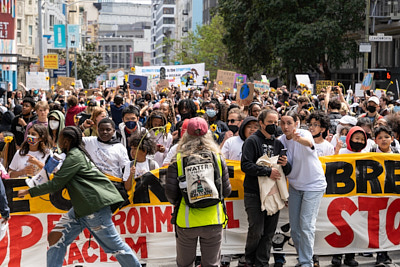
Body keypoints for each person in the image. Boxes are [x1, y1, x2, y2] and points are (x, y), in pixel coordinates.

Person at [17, 126, 141, 267]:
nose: (58, 141)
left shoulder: (74, 156)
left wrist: (29, 191)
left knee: (115, 247)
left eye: (61, 138)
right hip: (81, 208)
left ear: (66, 141)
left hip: (94, 207)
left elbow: (56, 184)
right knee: (55, 238)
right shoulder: (72, 155)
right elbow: (58, 176)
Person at [165, 117, 231, 267]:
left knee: (185, 263)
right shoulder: (218, 158)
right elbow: (226, 191)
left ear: (186, 135)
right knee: (212, 263)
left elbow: (171, 193)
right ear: (208, 135)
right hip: (213, 219)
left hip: (186, 221)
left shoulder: (178, 160)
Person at [241, 109, 291, 267]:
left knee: (269, 232)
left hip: (272, 193)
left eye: (276, 123)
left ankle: (262, 262)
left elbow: (286, 171)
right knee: (256, 230)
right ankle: (249, 260)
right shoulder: (252, 141)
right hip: (254, 193)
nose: (274, 125)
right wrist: (267, 171)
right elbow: (245, 165)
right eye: (270, 122)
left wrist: (286, 164)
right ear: (261, 123)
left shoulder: (278, 143)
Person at [279, 111, 327, 267]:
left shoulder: (304, 133)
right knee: (295, 228)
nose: (286, 127)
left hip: (313, 185)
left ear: (296, 123)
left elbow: (309, 143)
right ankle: (303, 258)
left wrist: (299, 139)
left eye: (289, 123)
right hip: (294, 186)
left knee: (306, 225)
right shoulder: (280, 141)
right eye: (283, 123)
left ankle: (307, 262)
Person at [83, 118, 130, 188]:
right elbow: (71, 135)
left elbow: (126, 168)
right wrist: (82, 127)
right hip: (93, 183)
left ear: (113, 131)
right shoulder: (89, 141)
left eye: (108, 130)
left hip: (112, 185)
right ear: (97, 130)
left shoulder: (120, 148)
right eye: (101, 130)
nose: (104, 132)